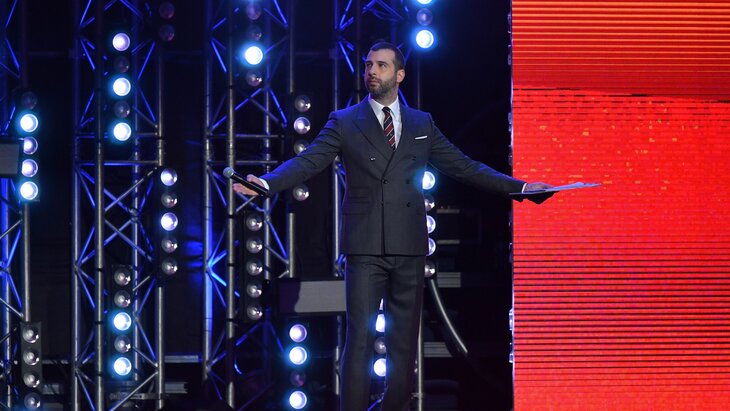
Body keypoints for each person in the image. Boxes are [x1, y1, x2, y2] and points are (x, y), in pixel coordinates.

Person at [233, 41, 552, 411]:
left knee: (403, 344)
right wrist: (267, 183)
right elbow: (308, 162)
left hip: (408, 245)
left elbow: (465, 167)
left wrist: (521, 188)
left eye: (381, 65)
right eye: (368, 65)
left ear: (399, 75)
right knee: (360, 341)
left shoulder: (421, 123)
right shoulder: (344, 121)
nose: (372, 71)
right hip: (365, 246)